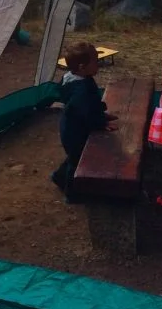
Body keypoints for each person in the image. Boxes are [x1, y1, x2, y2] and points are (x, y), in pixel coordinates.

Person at [50, 41, 117, 201]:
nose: (98, 64)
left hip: (71, 124)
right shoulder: (82, 89)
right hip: (75, 131)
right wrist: (101, 123)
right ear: (82, 67)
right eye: (95, 62)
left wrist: (101, 111)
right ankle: (72, 194)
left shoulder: (71, 78)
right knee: (77, 159)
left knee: (74, 156)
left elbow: (90, 105)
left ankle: (58, 176)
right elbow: (87, 112)